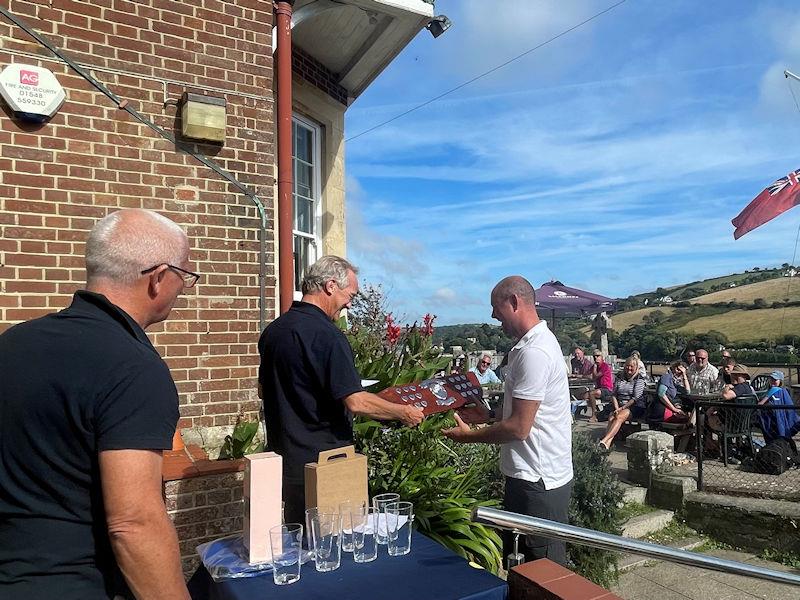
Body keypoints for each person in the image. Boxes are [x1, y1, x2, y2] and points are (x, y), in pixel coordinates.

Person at [0, 209, 193, 599]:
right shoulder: (134, 367)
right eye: (184, 277)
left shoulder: (13, 343)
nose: (184, 289)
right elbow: (133, 523)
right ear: (157, 278)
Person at [258, 256, 424, 526]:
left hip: (286, 462)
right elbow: (356, 402)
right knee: (335, 547)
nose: (350, 303)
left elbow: (263, 391)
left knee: (298, 540)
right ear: (330, 286)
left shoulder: (273, 332)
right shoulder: (328, 336)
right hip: (327, 464)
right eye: (350, 295)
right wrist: (402, 412)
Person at [443, 276, 573, 566]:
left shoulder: (534, 352)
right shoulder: (529, 346)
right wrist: (487, 415)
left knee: (543, 573)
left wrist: (467, 437)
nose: (492, 315)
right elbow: (523, 413)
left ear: (514, 302)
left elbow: (519, 427)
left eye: (495, 306)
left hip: (539, 481)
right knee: (522, 566)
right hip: (530, 476)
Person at [597, 357, 648, 450]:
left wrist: (622, 408)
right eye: (627, 366)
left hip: (635, 406)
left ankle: (605, 439)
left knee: (619, 417)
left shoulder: (640, 379)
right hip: (619, 404)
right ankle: (607, 444)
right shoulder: (620, 377)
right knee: (612, 416)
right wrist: (617, 407)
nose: (629, 368)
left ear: (636, 367)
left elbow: (635, 398)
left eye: (632, 366)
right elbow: (614, 394)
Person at [757, 370, 800, 442]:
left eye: (775, 379)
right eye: (771, 379)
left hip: (773, 419)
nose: (773, 381)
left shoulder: (773, 389)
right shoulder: (784, 390)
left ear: (780, 381)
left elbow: (761, 403)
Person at [583, 350, 614, 422]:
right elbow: (587, 374)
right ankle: (597, 411)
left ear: (602, 357)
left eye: (597, 356)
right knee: (584, 396)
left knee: (591, 393)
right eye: (594, 356)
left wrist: (594, 368)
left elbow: (595, 376)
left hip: (607, 389)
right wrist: (576, 375)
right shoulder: (595, 366)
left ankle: (594, 415)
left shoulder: (604, 366)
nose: (596, 358)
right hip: (599, 389)